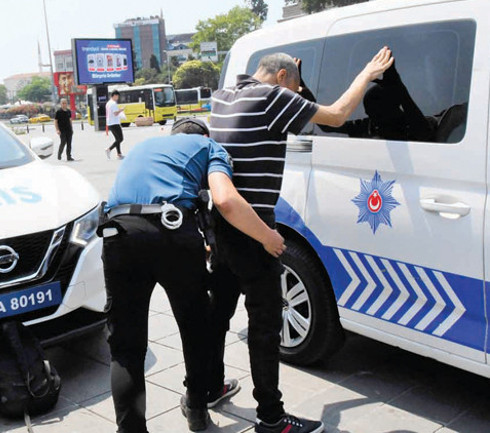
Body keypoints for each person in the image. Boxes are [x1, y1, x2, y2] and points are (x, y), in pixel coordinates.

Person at [207, 48, 394, 433]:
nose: (298, 95)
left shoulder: (222, 97)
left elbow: (288, 100)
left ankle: (207, 388)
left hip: (221, 225)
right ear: (280, 81)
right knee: (264, 326)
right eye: (295, 87)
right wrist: (366, 74)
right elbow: (338, 114)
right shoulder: (274, 97)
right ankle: (272, 419)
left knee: (218, 315)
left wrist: (296, 79)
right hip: (255, 230)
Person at [100, 117, 285, 433]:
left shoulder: (142, 146)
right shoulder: (210, 146)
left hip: (119, 233)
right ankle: (197, 412)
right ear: (204, 134)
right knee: (195, 329)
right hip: (173, 230)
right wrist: (267, 236)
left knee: (127, 349)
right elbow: (225, 200)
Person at [105, 90, 125, 159]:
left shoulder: (108, 103)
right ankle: (109, 149)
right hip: (114, 123)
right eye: (117, 97)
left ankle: (119, 154)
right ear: (114, 96)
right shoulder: (113, 103)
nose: (117, 98)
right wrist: (121, 110)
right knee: (120, 139)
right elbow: (115, 113)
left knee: (117, 139)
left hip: (110, 123)